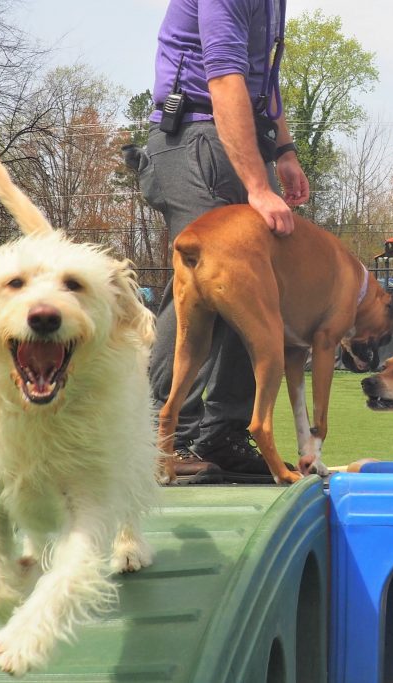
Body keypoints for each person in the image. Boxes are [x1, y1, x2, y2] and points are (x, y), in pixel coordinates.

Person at [125, 0, 310, 485]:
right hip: (194, 137)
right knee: (203, 285)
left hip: (240, 136)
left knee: (253, 292)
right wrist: (257, 186)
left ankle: (222, 435)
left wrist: (285, 150)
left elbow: (262, 82)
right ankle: (159, 435)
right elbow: (225, 80)